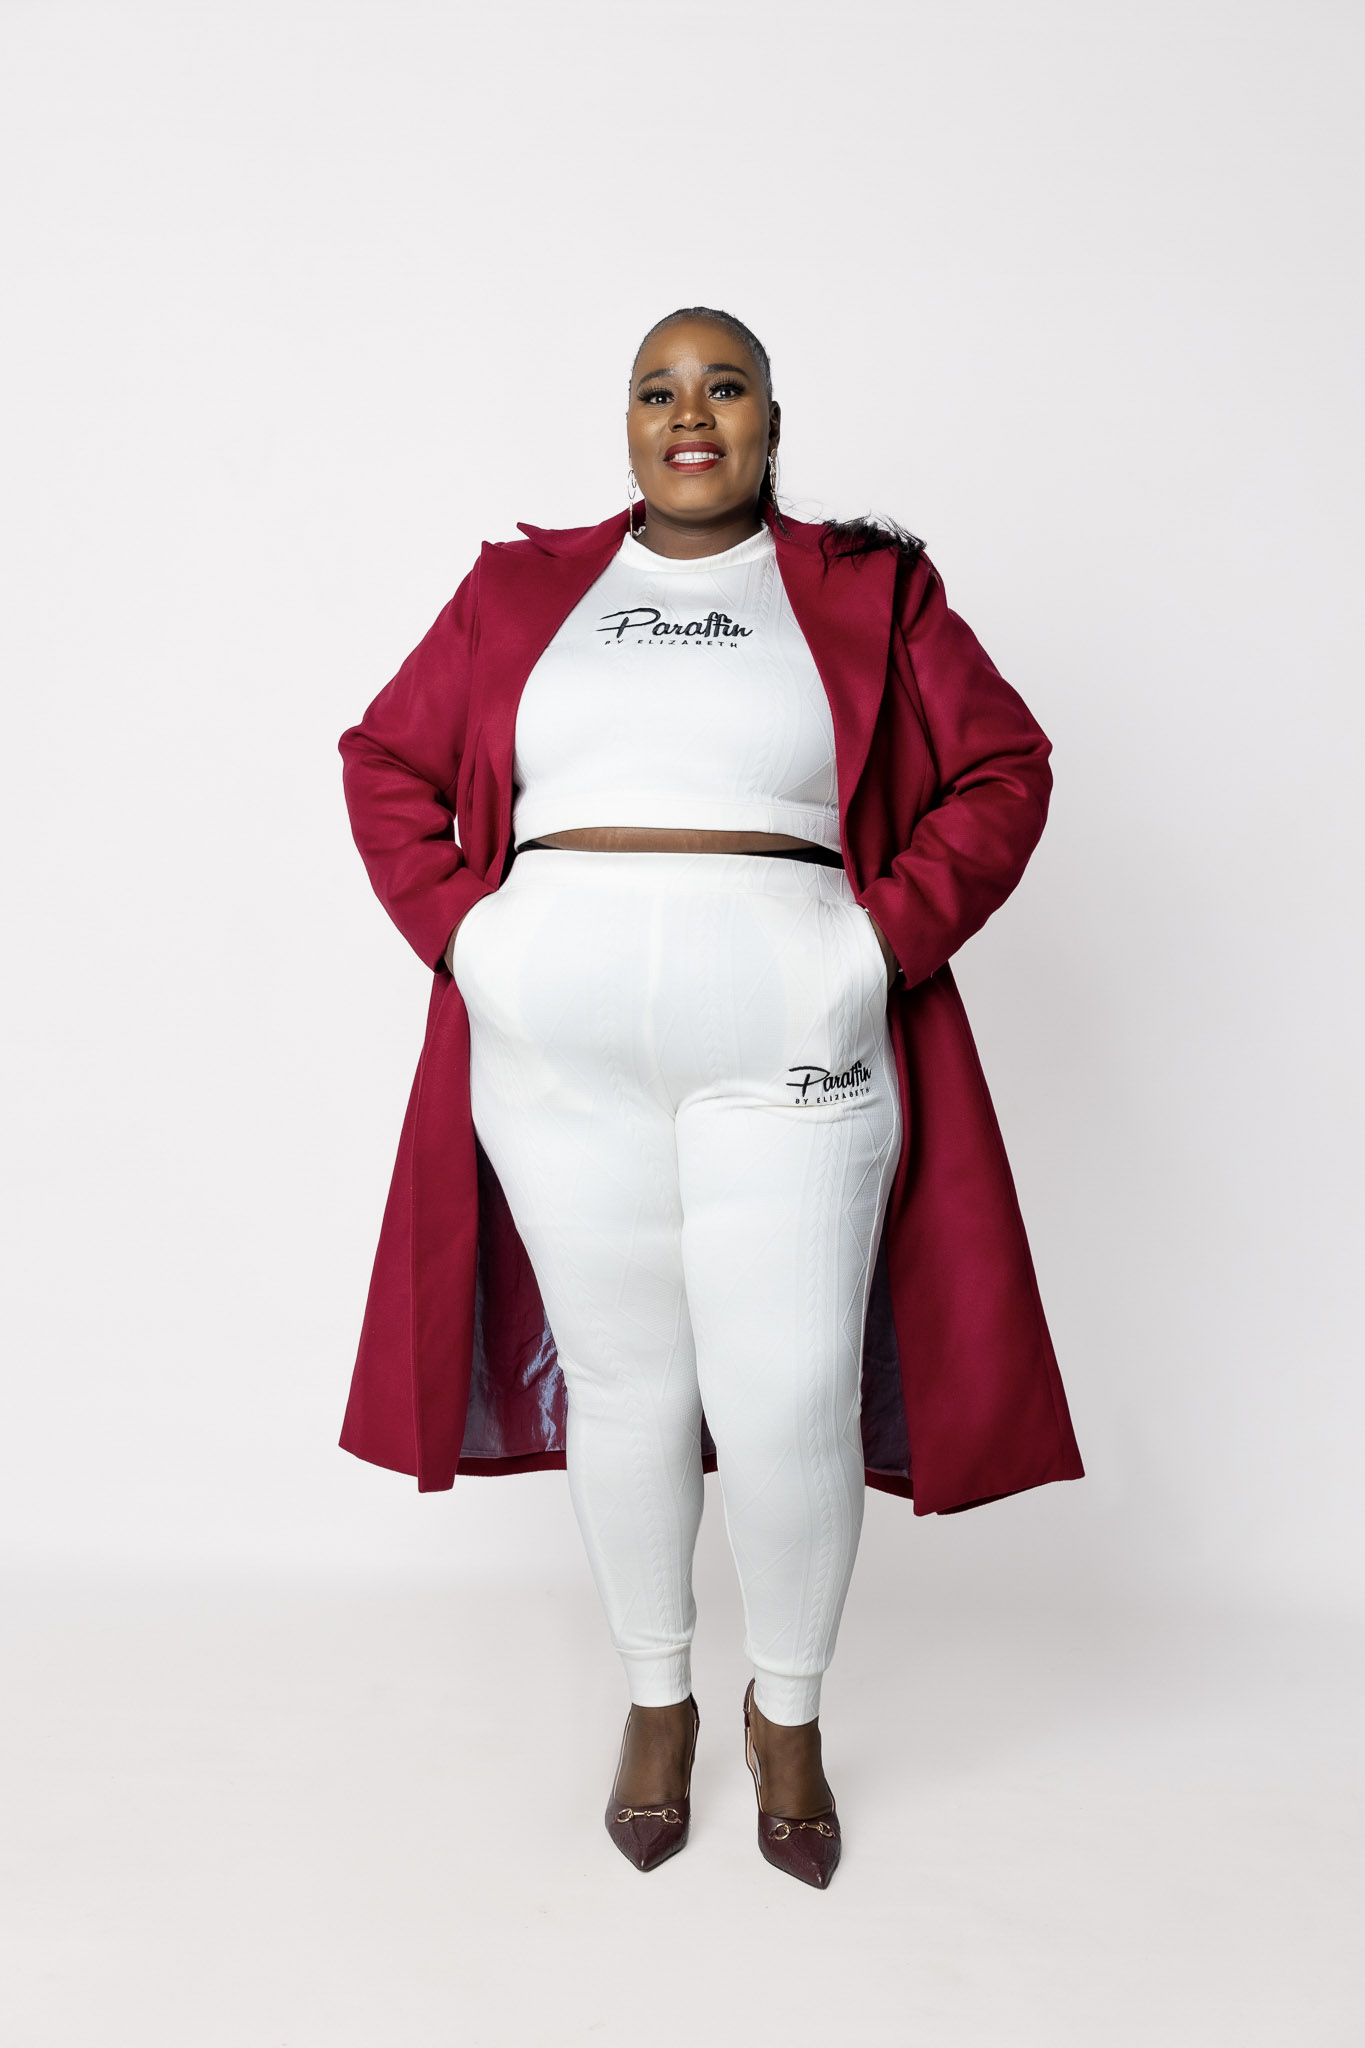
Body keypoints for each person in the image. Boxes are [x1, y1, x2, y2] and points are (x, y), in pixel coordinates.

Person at [337, 306, 1084, 1889]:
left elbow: (1002, 766)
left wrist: (874, 947)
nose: (691, 413)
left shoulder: (868, 589)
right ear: (625, 424)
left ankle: (787, 1715)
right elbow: (383, 758)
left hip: (793, 1031)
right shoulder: (517, 591)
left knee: (791, 1389)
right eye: (657, 390)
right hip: (553, 1043)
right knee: (626, 1384)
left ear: (769, 421)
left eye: (723, 386)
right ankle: (657, 1695)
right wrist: (470, 939)